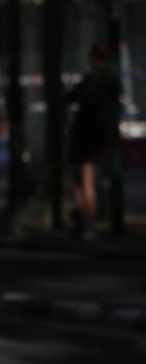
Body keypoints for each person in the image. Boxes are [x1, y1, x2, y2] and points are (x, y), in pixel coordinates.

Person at [67, 41, 121, 240]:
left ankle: (88, 222)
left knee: (84, 179)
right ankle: (85, 220)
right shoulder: (112, 79)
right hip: (98, 135)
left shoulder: (93, 79)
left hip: (84, 135)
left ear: (95, 57)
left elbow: (73, 97)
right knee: (85, 178)